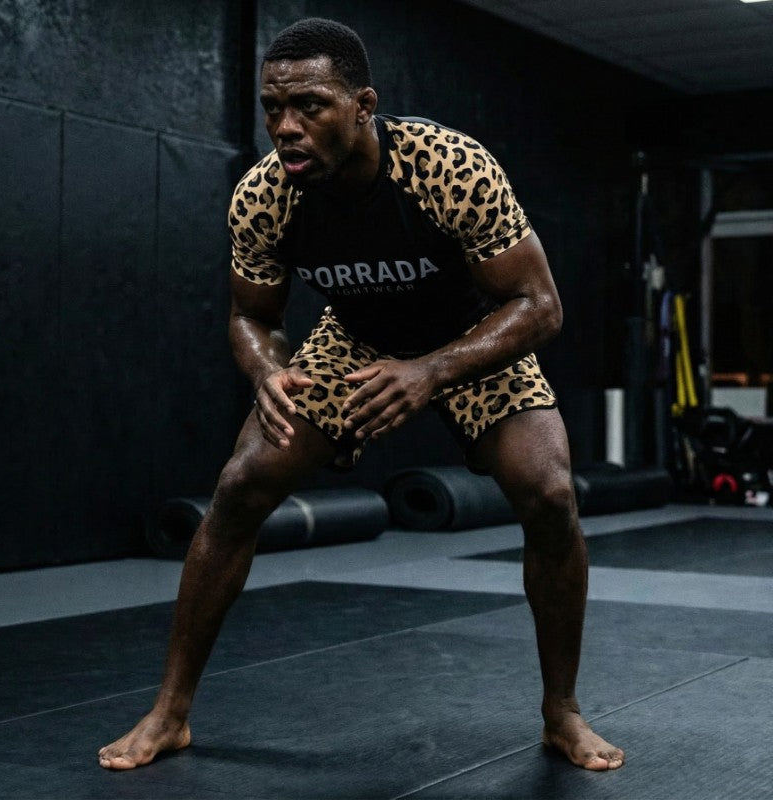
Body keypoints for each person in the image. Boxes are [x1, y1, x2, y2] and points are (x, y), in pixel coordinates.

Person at [99, 17, 625, 772]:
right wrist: (267, 372)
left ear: (363, 105)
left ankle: (562, 712)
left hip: (470, 338)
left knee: (549, 495)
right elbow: (252, 317)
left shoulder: (448, 167)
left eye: (309, 105)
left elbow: (540, 307)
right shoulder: (265, 198)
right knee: (240, 486)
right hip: (354, 342)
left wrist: (431, 371)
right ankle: (169, 712)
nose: (286, 126)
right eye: (273, 108)